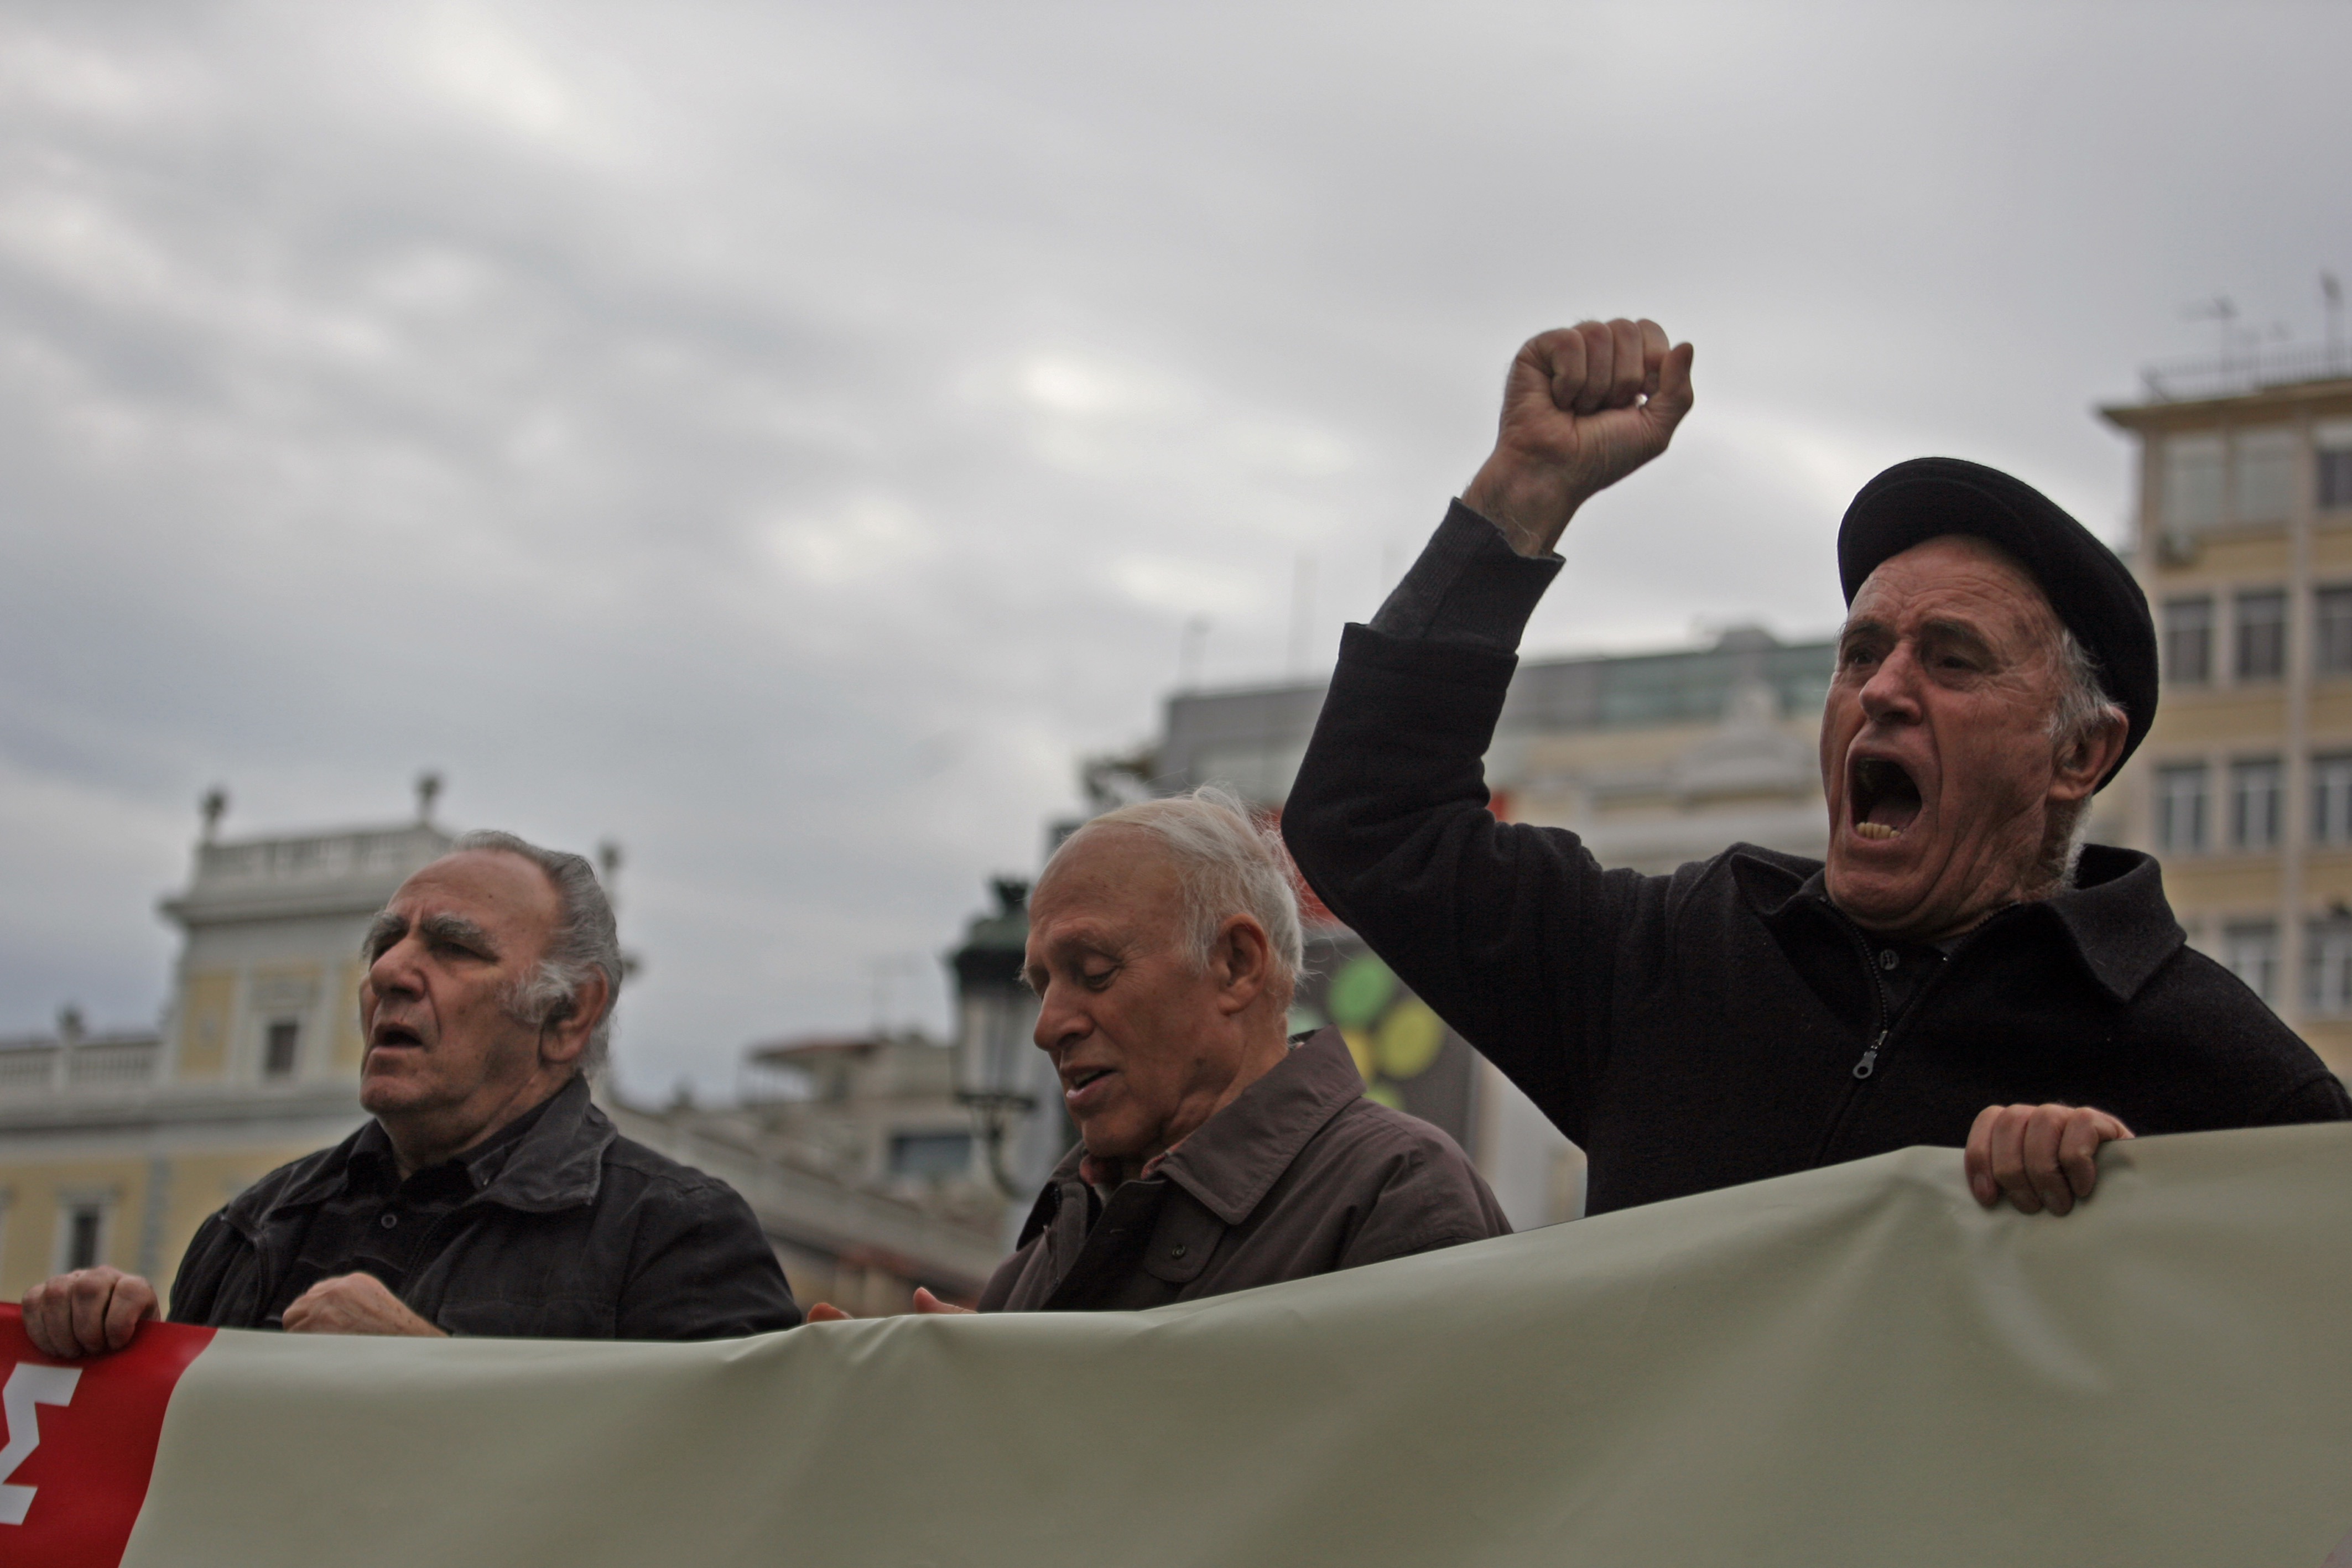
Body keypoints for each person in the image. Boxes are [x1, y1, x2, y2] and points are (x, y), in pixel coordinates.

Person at [1282, 319, 2350, 1223]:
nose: (1883, 689)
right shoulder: (1671, 960)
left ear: (2078, 753)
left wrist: (2135, 1215)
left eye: (1950, 659)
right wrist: (1521, 494)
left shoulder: (2219, 1077)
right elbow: (1368, 820)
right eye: (1860, 652)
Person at [23, 830, 802, 1356]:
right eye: (385, 942)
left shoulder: (677, 1236)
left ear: (568, 1014)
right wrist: (107, 1348)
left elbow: (725, 1506)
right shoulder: (250, 1226)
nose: (390, 971)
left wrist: (420, 1374)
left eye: (454, 947)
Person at [811, 788, 1507, 1320]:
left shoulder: (1398, 1194)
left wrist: (1029, 1407)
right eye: (1042, 985)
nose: (1048, 1027)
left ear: (1236, 965)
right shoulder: (1029, 1272)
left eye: (1094, 971)